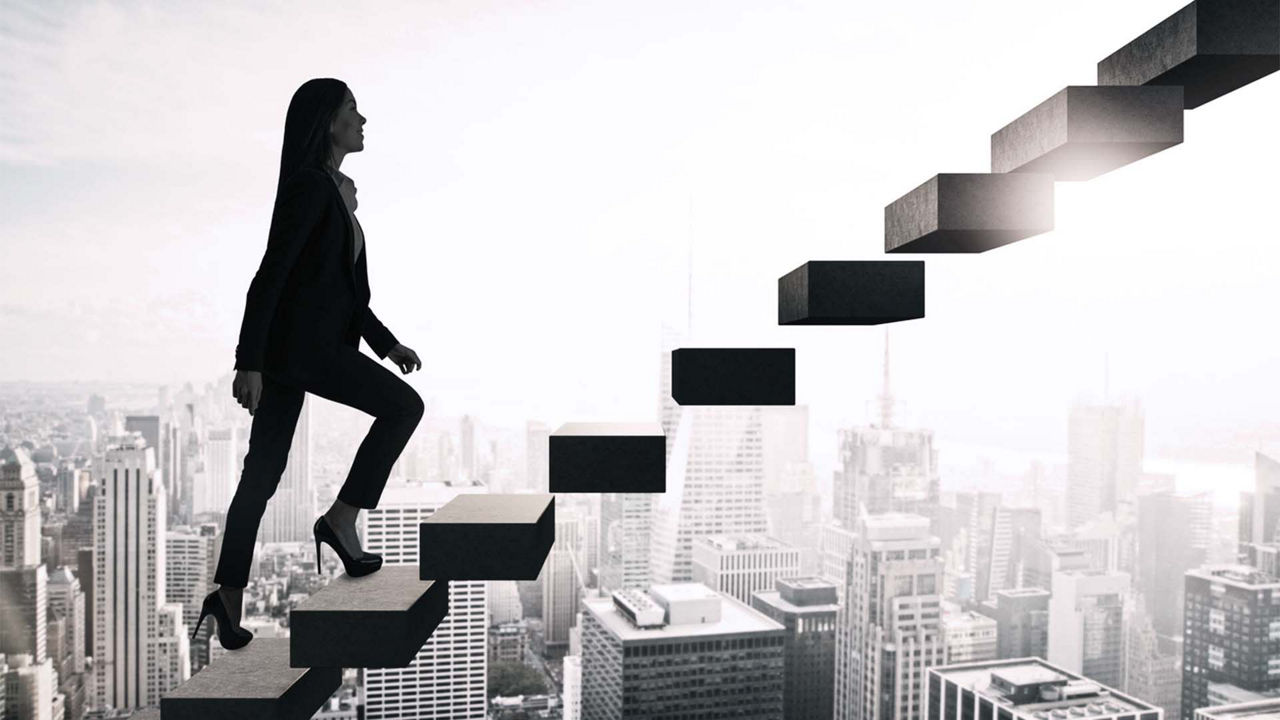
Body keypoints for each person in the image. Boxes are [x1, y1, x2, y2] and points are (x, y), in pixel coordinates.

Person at [192, 78, 424, 651]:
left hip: (300, 352)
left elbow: (349, 298)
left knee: (262, 475)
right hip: (304, 353)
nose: (363, 119)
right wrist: (249, 363)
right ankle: (341, 520)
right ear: (327, 122)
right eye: (352, 110)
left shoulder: (331, 192)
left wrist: (387, 344)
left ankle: (226, 596)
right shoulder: (310, 188)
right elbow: (269, 275)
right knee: (404, 407)